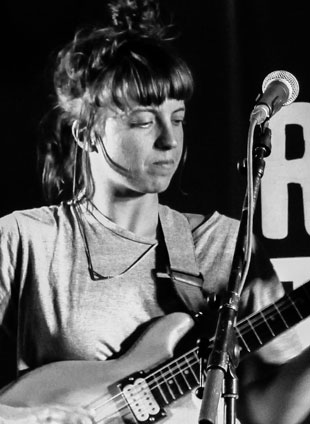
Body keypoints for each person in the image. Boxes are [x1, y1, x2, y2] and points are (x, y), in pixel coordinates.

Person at [0, 0, 310, 423]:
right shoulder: (26, 239)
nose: (169, 141)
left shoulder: (223, 246)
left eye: (177, 118)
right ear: (88, 134)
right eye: (144, 121)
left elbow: (269, 412)